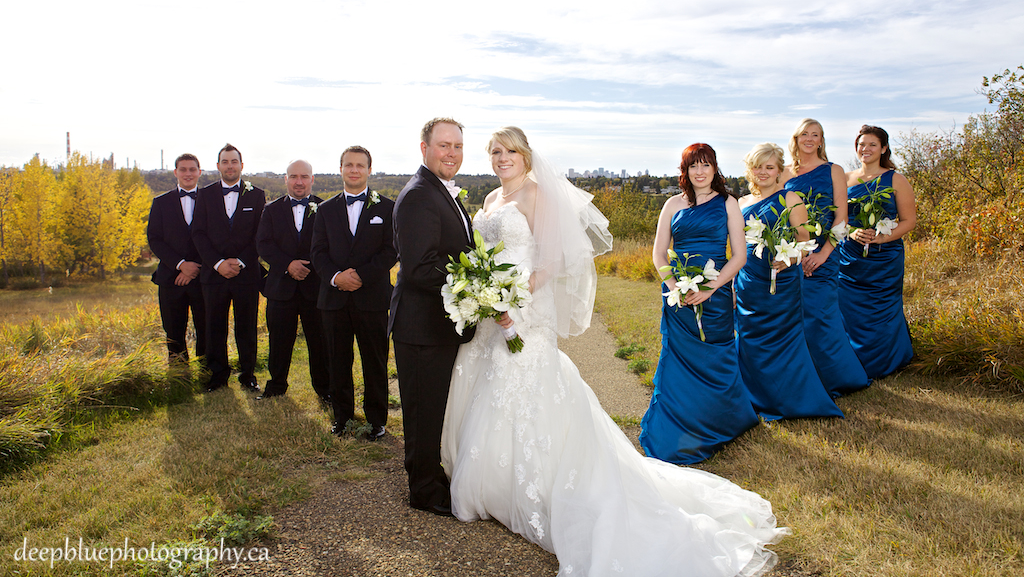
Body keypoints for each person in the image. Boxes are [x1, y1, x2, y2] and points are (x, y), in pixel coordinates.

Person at [443, 129, 787, 576]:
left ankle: (544, 486)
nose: (501, 157)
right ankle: (492, 484)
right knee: (492, 385)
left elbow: (552, 260)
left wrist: (514, 301)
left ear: (526, 156)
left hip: (525, 308)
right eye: (495, 151)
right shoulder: (488, 201)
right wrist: (488, 296)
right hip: (495, 314)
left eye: (510, 151)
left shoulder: (537, 195)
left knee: (529, 382)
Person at [640, 143, 760, 464]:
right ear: (686, 170)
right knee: (678, 361)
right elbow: (659, 252)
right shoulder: (671, 204)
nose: (700, 171)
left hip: (716, 293)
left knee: (716, 356)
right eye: (694, 165)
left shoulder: (728, 203)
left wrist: (711, 288)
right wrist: (673, 287)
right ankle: (680, 425)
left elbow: (739, 255)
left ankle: (721, 420)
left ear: (715, 169)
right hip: (678, 295)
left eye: (706, 165)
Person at [389, 118, 477, 515]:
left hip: (436, 326)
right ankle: (423, 491)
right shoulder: (419, 195)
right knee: (423, 413)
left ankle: (431, 476)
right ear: (423, 148)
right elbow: (421, 268)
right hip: (420, 326)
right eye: (444, 145)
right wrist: (474, 280)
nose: (451, 153)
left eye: (457, 146)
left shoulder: (443, 193)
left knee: (433, 410)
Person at [735, 143, 844, 421]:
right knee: (749, 339)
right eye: (758, 167)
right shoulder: (741, 203)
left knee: (783, 340)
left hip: (781, 282)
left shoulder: (791, 198)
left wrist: (790, 260)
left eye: (769, 167)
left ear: (778, 170)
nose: (763, 172)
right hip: (749, 281)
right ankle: (753, 397)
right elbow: (736, 248)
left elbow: (806, 244)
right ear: (750, 170)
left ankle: (791, 399)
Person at [311, 146, 396, 440]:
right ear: (341, 169)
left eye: (360, 165)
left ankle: (376, 421)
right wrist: (337, 277)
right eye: (349, 165)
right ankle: (342, 418)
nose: (355, 170)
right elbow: (318, 252)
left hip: (372, 298)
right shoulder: (324, 210)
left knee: (374, 361)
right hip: (334, 300)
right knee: (337, 361)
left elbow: (391, 251)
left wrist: (361, 275)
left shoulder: (387, 208)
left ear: (369, 170)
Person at [781, 119, 870, 397]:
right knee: (792, 318)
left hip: (826, 254)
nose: (809, 139)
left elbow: (841, 218)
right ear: (795, 139)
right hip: (793, 256)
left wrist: (822, 254)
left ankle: (835, 379)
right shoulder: (783, 173)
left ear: (821, 141)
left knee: (822, 317)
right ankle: (798, 380)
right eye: (804, 134)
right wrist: (799, 253)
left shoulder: (834, 170)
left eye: (815, 135)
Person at [839, 125, 917, 379]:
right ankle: (852, 360)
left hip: (885, 256)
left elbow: (908, 220)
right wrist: (850, 232)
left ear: (883, 148)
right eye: (862, 144)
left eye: (872, 144)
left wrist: (883, 237)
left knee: (882, 308)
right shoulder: (844, 179)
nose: (866, 149)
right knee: (849, 309)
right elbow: (836, 219)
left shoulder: (896, 179)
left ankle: (889, 362)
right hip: (850, 256)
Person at [192, 143, 266, 393]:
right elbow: (199, 233)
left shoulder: (257, 194)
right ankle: (217, 376)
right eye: (225, 162)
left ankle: (247, 374)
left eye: (234, 162)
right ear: (217, 166)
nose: (230, 166)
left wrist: (241, 262)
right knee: (214, 326)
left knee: (246, 326)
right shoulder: (205, 194)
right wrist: (218, 263)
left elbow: (260, 234)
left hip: (246, 274)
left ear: (241, 166)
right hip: (214, 275)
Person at [255, 159, 329, 402]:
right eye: (294, 177)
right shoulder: (271, 209)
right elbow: (263, 244)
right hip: (280, 288)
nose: (299, 182)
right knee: (278, 341)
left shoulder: (325, 208)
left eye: (304, 177)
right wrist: (288, 265)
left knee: (319, 343)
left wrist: (306, 266)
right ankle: (276, 386)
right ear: (285, 179)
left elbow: (328, 245)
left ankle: (324, 388)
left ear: (312, 179)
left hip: (315, 287)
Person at [147, 153, 206, 366]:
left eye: (192, 169)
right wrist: (181, 265)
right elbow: (155, 240)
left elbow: (216, 238)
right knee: (173, 330)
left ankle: (207, 372)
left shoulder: (212, 201)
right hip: (171, 278)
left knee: (206, 327)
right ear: (176, 172)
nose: (188, 174)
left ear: (199, 172)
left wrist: (195, 268)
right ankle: (179, 374)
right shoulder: (160, 202)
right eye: (183, 169)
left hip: (203, 277)